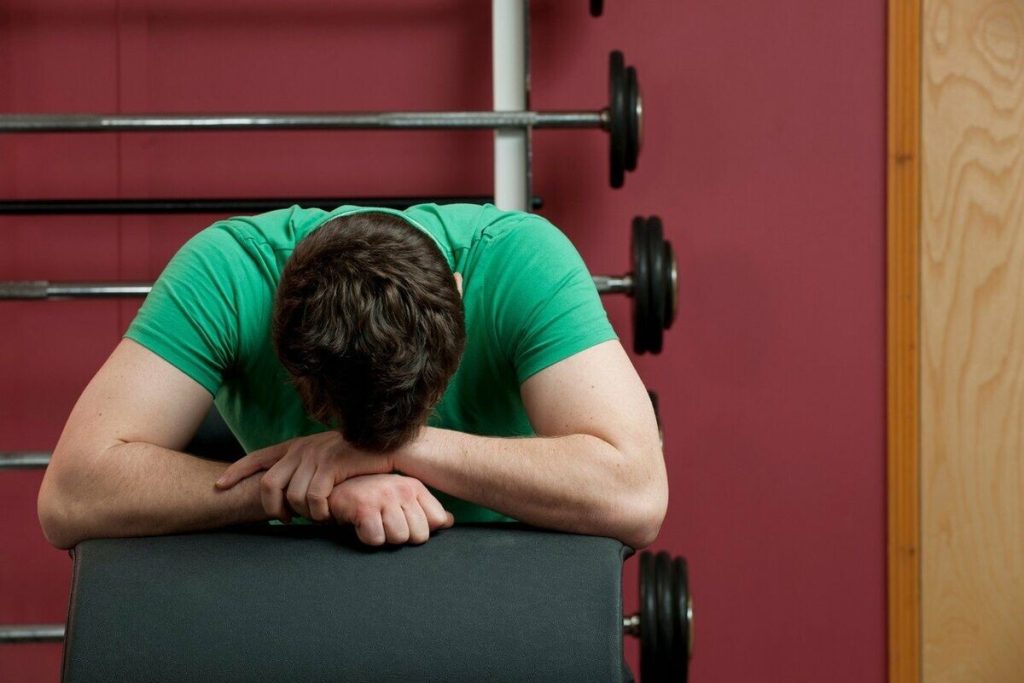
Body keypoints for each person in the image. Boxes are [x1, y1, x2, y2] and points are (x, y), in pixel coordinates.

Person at [37, 204, 668, 550]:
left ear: (458, 295)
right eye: (338, 427)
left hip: (511, 590)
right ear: (276, 331)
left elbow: (636, 495)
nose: (361, 448)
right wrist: (305, 491)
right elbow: (70, 496)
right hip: (301, 588)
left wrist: (396, 454)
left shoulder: (522, 260)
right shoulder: (229, 274)